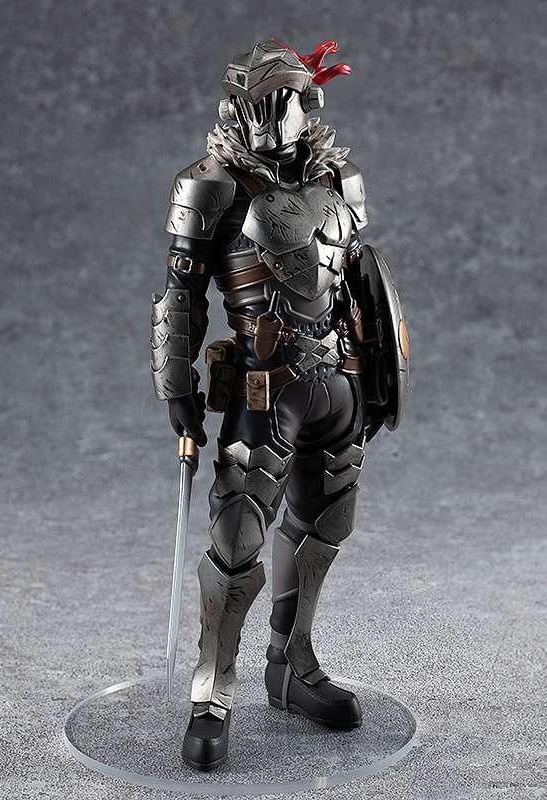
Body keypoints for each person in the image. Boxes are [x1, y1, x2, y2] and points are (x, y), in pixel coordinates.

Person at [150, 38, 409, 770]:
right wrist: (177, 389)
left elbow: (359, 285)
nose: (270, 118)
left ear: (307, 101)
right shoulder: (211, 186)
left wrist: (377, 377)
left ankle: (292, 667)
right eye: (257, 104)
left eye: (283, 102)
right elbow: (181, 296)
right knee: (236, 540)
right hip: (264, 389)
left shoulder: (340, 178)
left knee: (325, 527)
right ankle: (212, 692)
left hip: (338, 381)